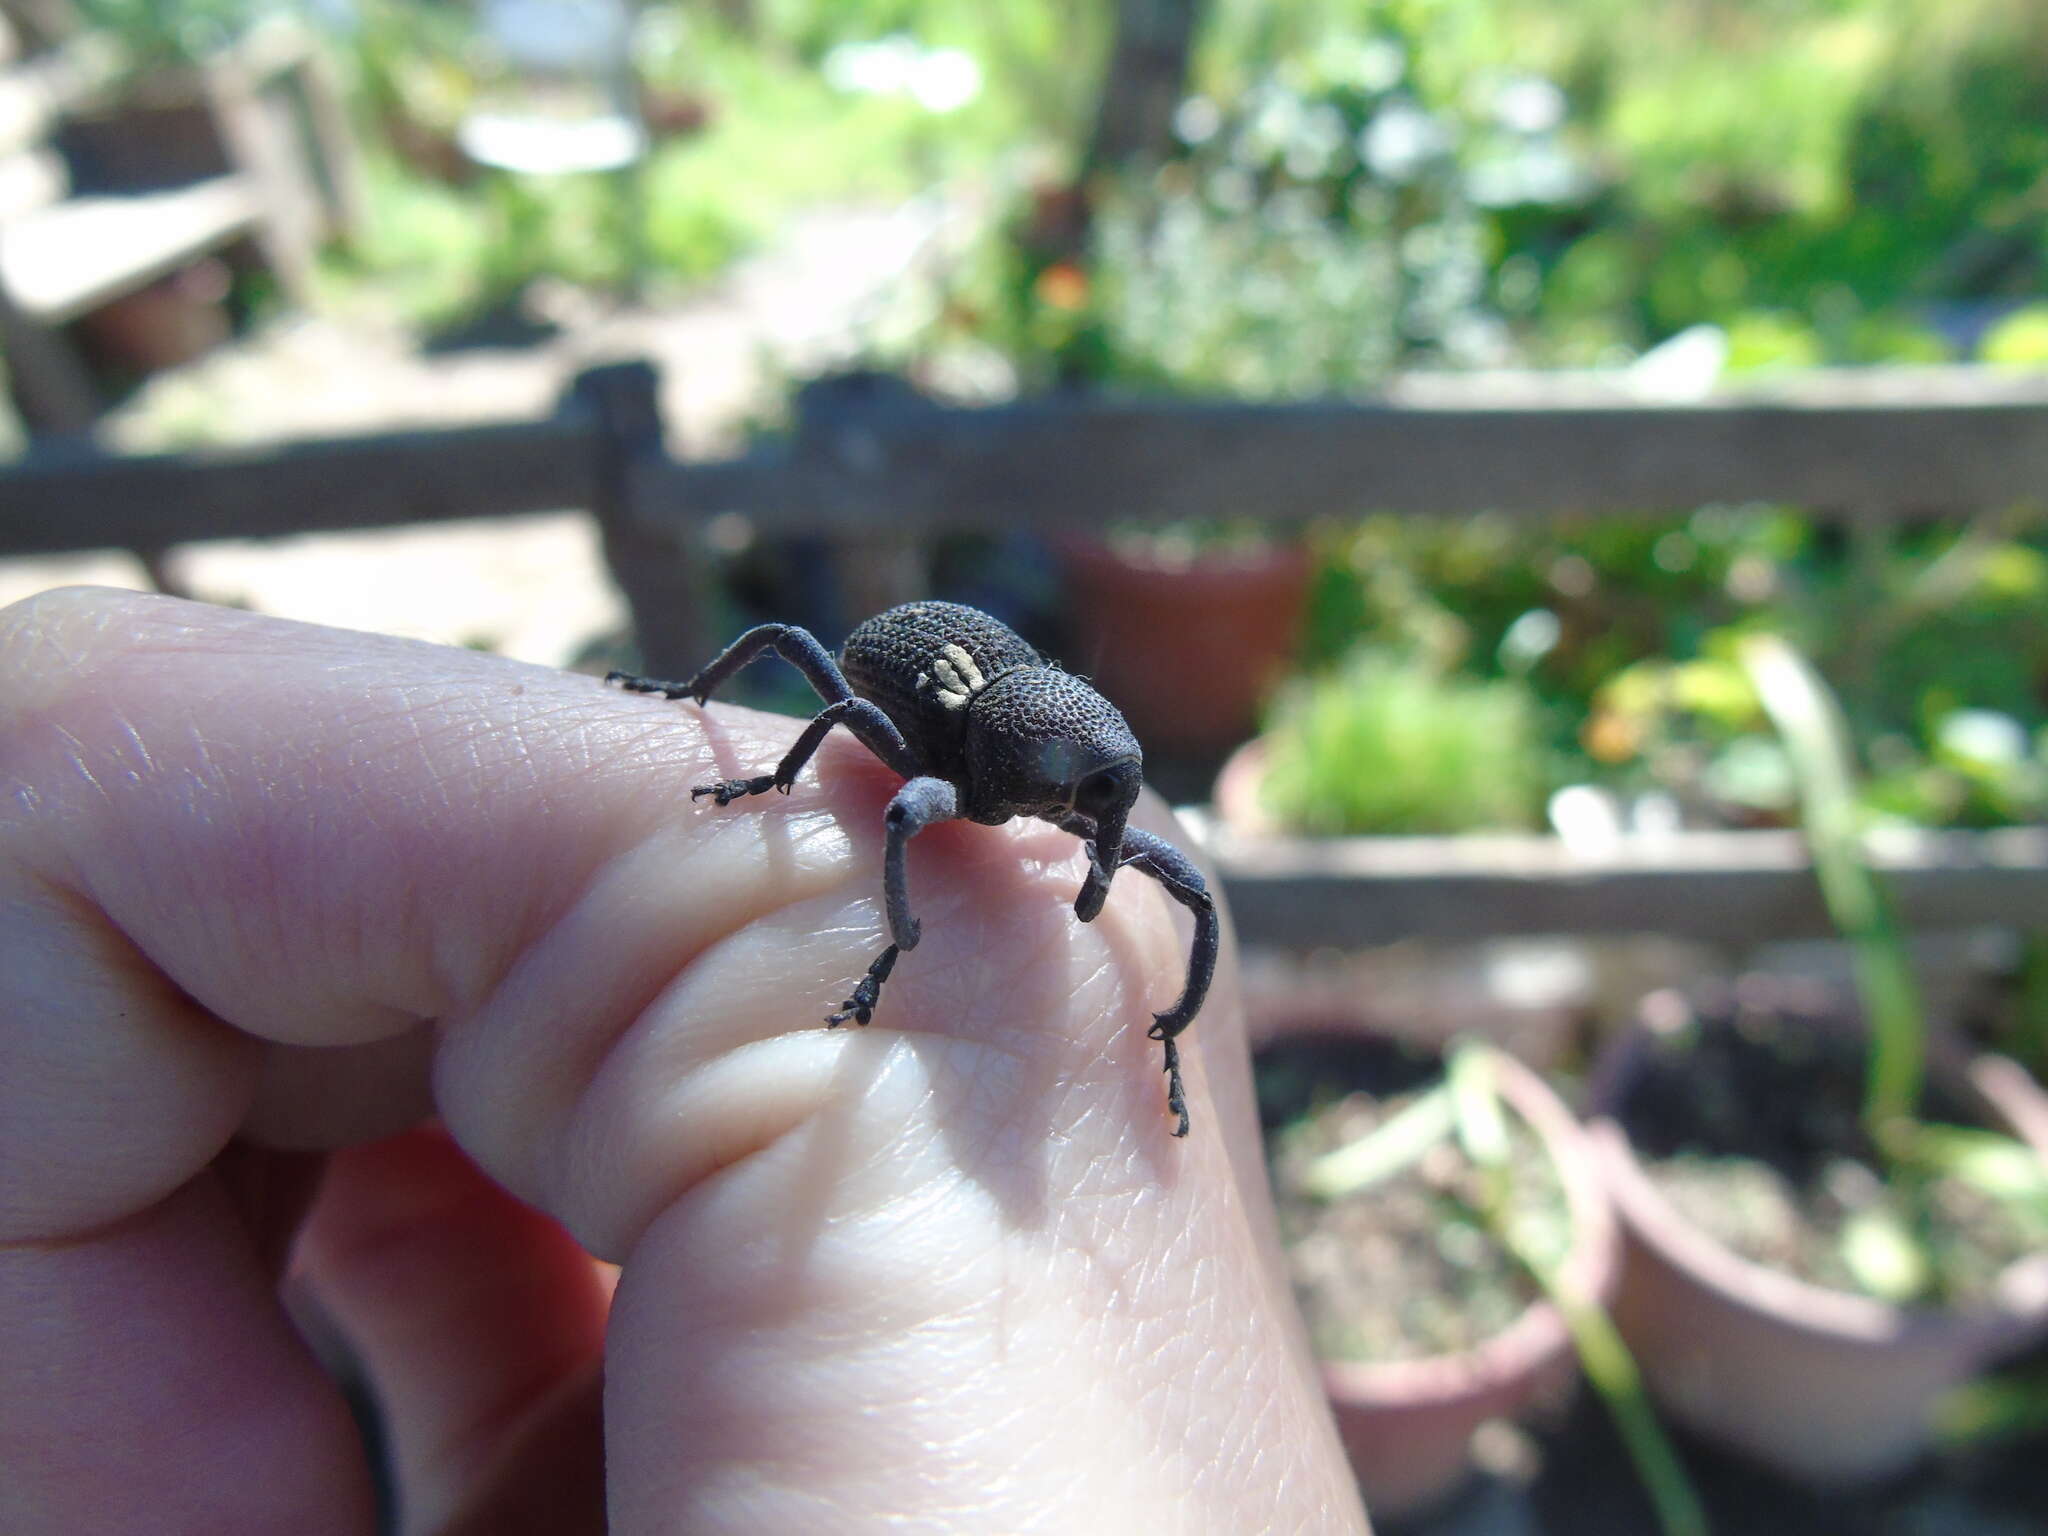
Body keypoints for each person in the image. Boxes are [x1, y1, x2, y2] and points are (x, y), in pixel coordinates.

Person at [0, 586, 1369, 1534]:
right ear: (1037, 768)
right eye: (1087, 805)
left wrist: (1155, 1031)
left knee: (1179, 896)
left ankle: (1171, 1038)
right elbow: (877, 778)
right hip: (920, 679)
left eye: (1103, 806)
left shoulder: (1079, 778)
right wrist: (830, 867)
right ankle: (753, 776)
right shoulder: (947, 757)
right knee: (806, 674)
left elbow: (1155, 880)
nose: (1097, 835)